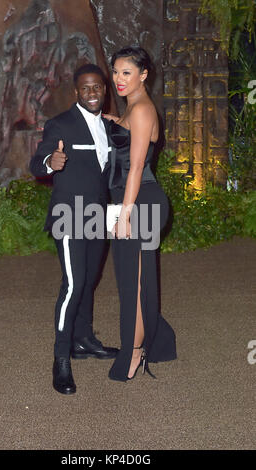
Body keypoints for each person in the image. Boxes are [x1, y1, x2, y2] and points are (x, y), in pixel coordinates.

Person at [29, 64, 118, 395]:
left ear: (104, 90)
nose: (92, 93)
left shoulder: (110, 126)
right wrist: (51, 162)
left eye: (97, 87)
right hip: (68, 215)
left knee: (89, 280)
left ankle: (84, 341)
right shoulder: (61, 124)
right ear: (76, 92)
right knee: (73, 284)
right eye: (85, 88)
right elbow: (36, 163)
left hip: (97, 214)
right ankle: (61, 357)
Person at [104, 46, 177, 382]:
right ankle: (155, 341)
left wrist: (125, 215)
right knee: (132, 278)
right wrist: (111, 122)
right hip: (131, 201)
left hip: (141, 203)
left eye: (126, 73)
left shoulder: (143, 109)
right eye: (116, 72)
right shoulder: (132, 107)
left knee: (133, 282)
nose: (118, 79)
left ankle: (134, 352)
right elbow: (126, 135)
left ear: (143, 75)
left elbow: (135, 166)